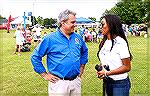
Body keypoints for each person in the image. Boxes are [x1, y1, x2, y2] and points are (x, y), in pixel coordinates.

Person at [30, 9, 88, 96]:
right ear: (63, 23)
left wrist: (82, 66)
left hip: (76, 81)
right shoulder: (50, 39)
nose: (75, 25)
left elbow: (84, 51)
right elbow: (35, 56)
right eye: (72, 22)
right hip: (59, 84)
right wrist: (44, 74)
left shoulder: (77, 37)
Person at [96, 14, 132, 96]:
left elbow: (127, 67)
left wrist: (107, 73)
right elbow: (105, 60)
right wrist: (102, 69)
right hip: (108, 81)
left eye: (103, 24)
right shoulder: (104, 42)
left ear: (111, 25)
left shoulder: (120, 42)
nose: (101, 27)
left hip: (120, 83)